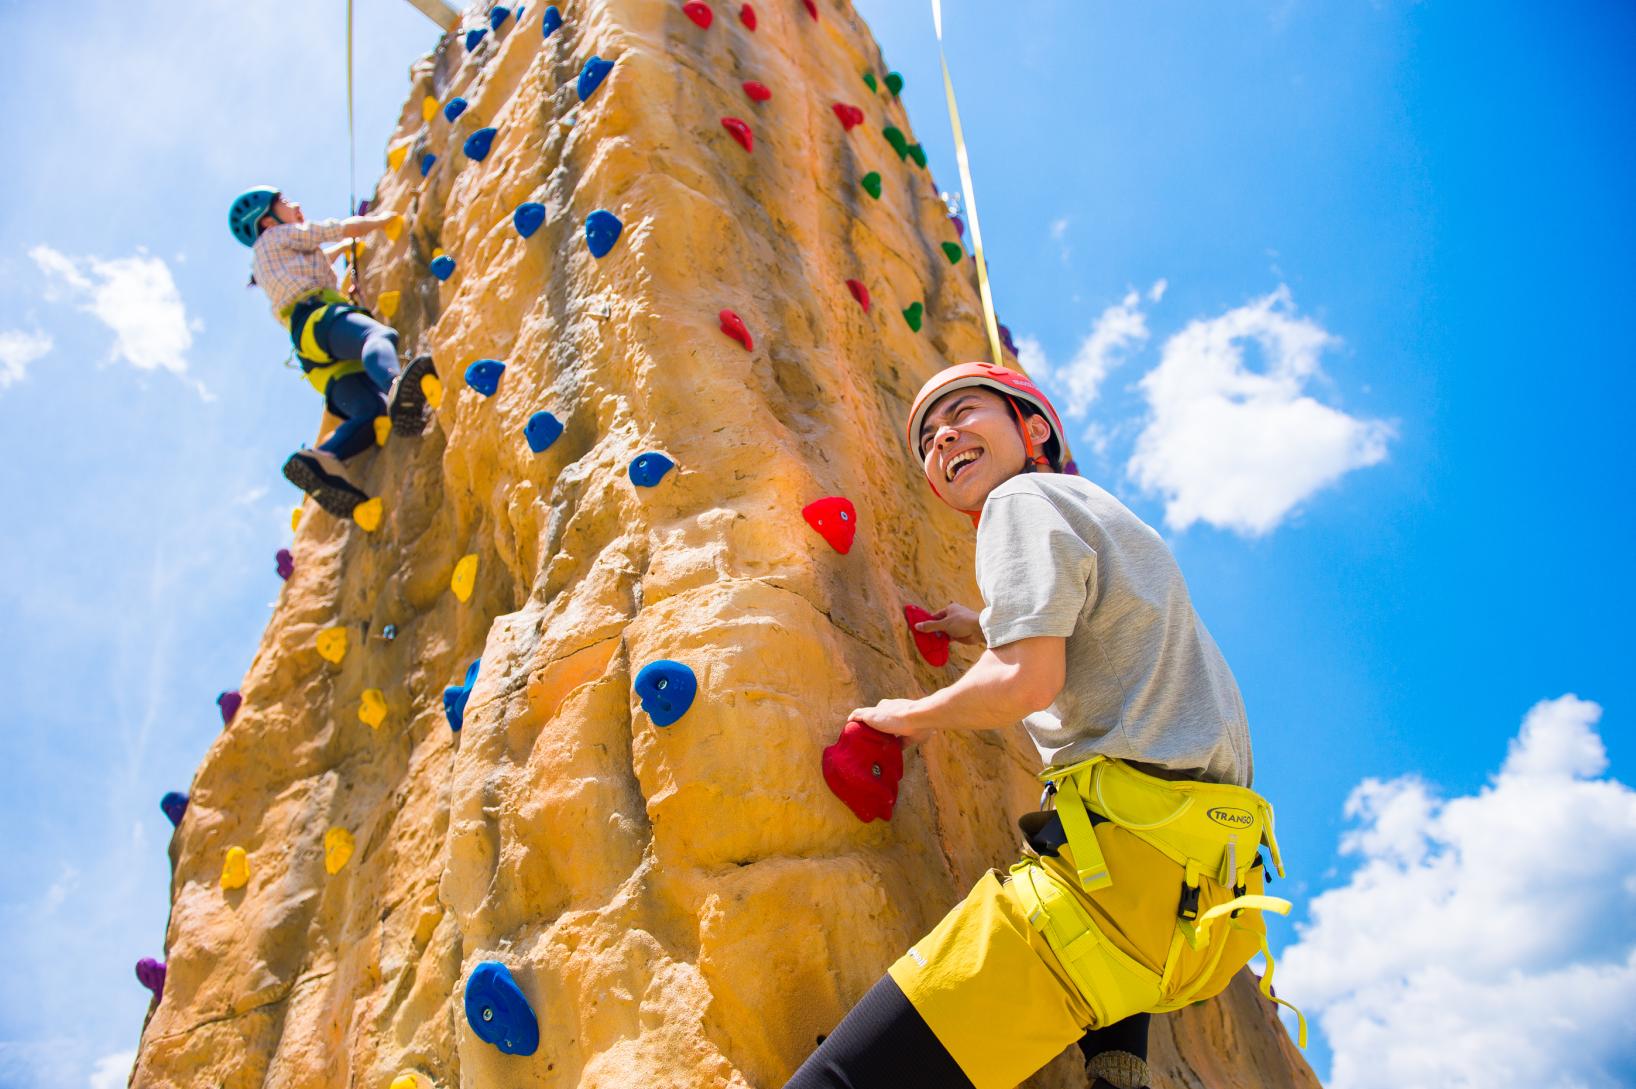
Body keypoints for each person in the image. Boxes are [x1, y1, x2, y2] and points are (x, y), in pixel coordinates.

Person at [786, 362, 1297, 1089]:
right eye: (928, 439)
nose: (943, 438)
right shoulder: (1090, 507)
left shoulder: (1019, 500)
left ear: (1033, 430)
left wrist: (910, 718)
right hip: (1196, 908)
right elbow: (1102, 644)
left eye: (963, 412)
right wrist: (987, 622)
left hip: (1107, 903)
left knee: (836, 1083)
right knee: (1071, 819)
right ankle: (1119, 1060)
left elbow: (1028, 678)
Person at [228, 185, 436, 519]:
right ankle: (397, 384)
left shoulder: (273, 267)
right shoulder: (278, 238)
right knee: (376, 336)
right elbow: (333, 232)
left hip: (314, 357)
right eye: (283, 202)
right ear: (266, 222)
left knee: (371, 412)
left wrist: (342, 273)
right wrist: (382, 220)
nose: (295, 203)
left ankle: (323, 458)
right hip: (320, 320)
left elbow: (320, 259)